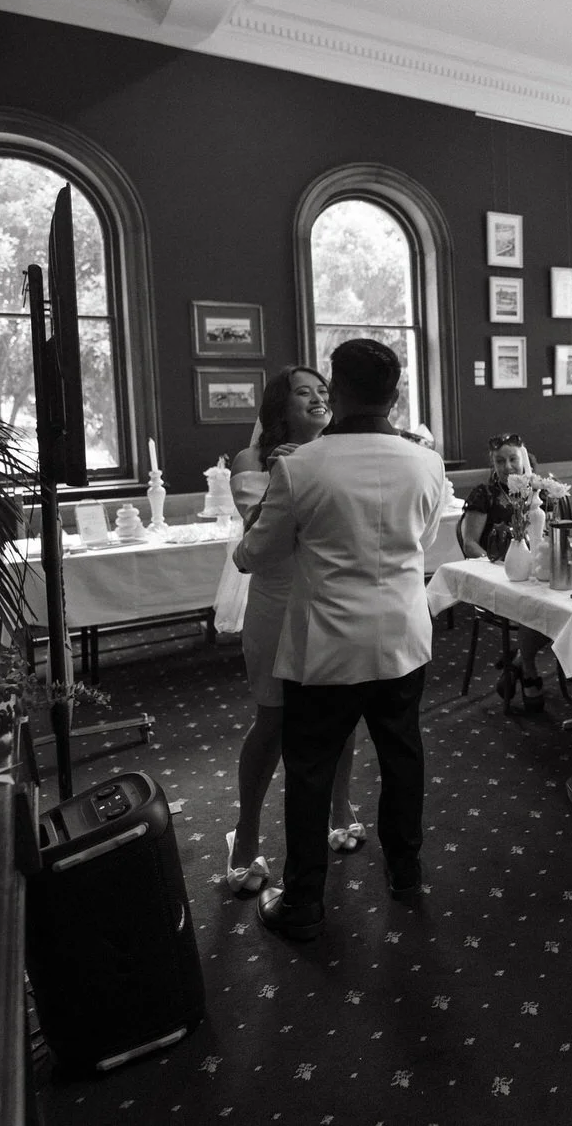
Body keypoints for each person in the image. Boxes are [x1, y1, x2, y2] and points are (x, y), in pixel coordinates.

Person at [240, 339, 452, 939]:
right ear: (394, 394)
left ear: (337, 391)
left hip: (327, 645)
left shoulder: (301, 466)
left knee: (310, 769)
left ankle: (304, 901)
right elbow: (424, 541)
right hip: (403, 636)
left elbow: (255, 555)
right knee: (402, 756)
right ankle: (406, 873)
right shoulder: (426, 463)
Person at [222, 365, 364, 894]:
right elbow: (256, 538)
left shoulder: (339, 453)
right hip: (277, 601)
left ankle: (341, 806)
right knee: (274, 719)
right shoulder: (252, 460)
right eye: (304, 392)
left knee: (339, 712)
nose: (318, 398)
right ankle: (246, 832)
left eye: (323, 390)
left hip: (329, 599)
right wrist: (284, 474)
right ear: (281, 406)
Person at [460, 433, 558, 713]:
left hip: (536, 573)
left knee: (561, 603)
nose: (508, 466)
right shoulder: (484, 494)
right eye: (500, 461)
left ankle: (517, 661)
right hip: (498, 579)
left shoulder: (538, 493)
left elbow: (550, 534)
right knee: (535, 605)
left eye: (513, 459)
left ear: (523, 459)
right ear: (493, 465)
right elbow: (470, 544)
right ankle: (527, 667)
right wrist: (499, 567)